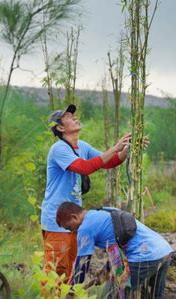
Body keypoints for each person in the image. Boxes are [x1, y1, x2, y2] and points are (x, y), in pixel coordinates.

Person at [41, 105, 131, 281]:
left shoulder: (81, 146)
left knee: (71, 270)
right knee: (57, 272)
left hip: (73, 220)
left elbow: (109, 161)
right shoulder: (59, 149)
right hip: (57, 221)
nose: (74, 117)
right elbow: (85, 167)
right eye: (68, 116)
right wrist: (115, 147)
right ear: (60, 128)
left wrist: (127, 148)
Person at [56, 202, 173, 298]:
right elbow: (117, 250)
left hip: (144, 255)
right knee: (153, 296)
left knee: (114, 294)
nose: (71, 232)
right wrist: (104, 272)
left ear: (74, 217)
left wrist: (71, 292)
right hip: (163, 250)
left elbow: (82, 265)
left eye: (69, 227)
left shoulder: (85, 228)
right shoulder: (103, 211)